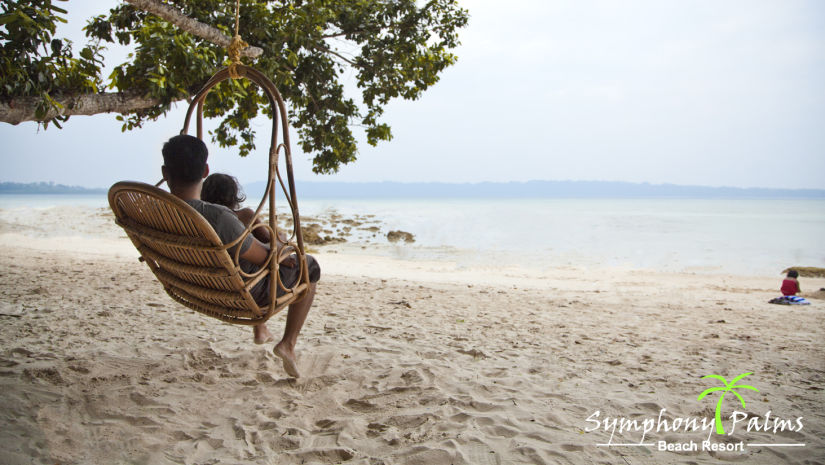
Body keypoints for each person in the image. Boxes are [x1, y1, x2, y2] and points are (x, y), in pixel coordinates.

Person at [161, 134, 320, 378]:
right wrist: (280, 243)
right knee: (310, 266)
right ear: (205, 170)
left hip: (193, 284)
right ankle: (288, 343)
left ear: (165, 171)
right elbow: (267, 259)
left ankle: (263, 331)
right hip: (238, 291)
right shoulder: (219, 218)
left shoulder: (156, 210)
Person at [202, 172, 273, 244]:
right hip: (242, 254)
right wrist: (280, 237)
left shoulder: (200, 218)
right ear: (233, 195)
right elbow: (267, 239)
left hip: (212, 254)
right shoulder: (245, 215)